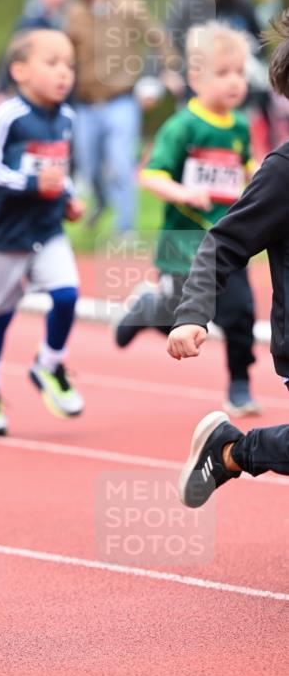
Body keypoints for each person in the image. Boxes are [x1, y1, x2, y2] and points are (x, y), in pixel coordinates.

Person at [166, 10, 289, 506]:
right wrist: (193, 313)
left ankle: (232, 451)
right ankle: (235, 452)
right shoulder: (283, 173)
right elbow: (224, 243)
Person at [114, 23, 260, 417]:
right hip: (183, 244)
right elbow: (150, 174)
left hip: (227, 243)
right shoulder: (182, 126)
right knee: (186, 321)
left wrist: (258, 172)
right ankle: (150, 309)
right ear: (195, 78)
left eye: (240, 73)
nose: (234, 82)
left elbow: (243, 165)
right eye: (223, 73)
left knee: (241, 313)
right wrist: (183, 192)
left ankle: (240, 385)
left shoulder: (240, 126)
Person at [0, 28, 86, 439]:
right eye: (52, 63)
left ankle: (49, 363)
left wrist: (68, 197)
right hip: (6, 233)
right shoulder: (7, 116)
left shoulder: (67, 118)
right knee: (0, 315)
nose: (63, 73)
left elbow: (59, 168)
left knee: (67, 295)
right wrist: (33, 185)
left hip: (48, 228)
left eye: (69, 65)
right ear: (20, 70)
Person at [60, 0, 183, 233]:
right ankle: (102, 202)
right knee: (88, 168)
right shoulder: (74, 14)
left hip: (121, 101)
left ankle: (125, 230)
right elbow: (66, 53)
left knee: (120, 163)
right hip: (86, 104)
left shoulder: (128, 6)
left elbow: (159, 39)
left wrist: (166, 71)